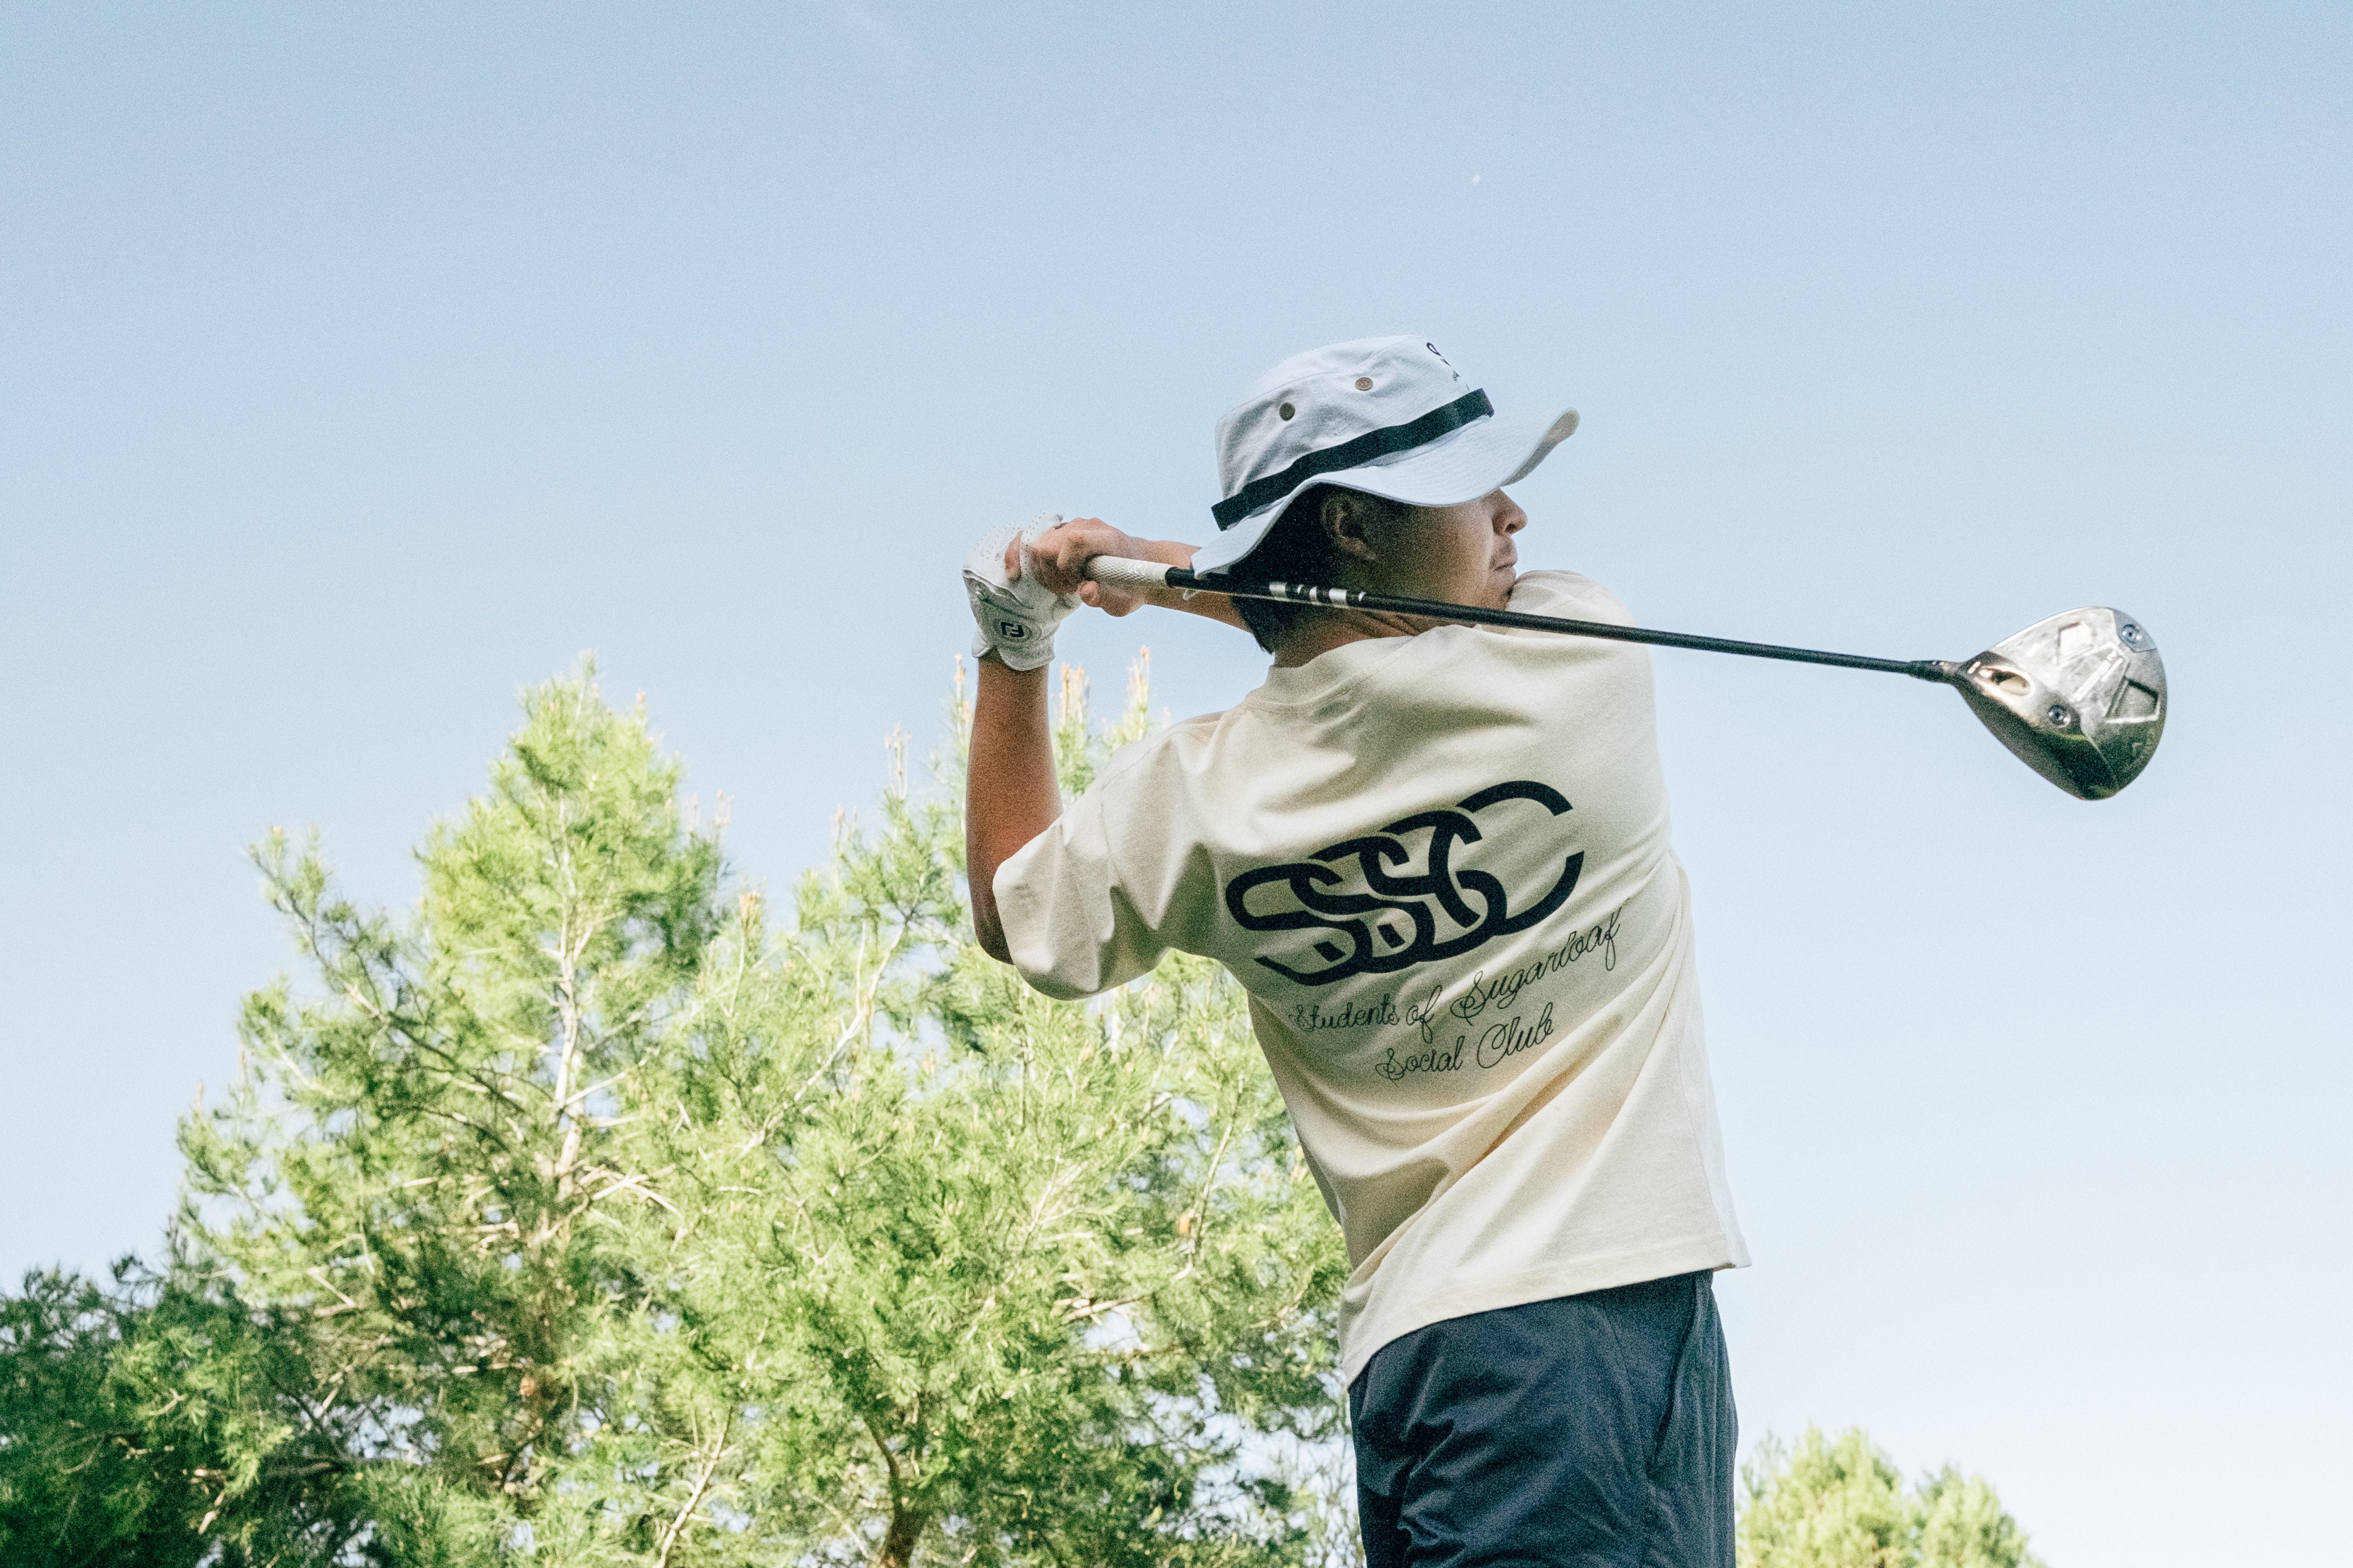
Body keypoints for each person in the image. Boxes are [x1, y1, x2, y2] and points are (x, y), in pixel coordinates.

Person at [960, 335, 1749, 1567]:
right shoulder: (1574, 659)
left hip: (1416, 1363)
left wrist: (1016, 635)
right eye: (1468, 486)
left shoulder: (1197, 796)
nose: (1511, 513)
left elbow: (1015, 913)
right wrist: (1163, 572)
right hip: (1588, 1329)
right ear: (1352, 528)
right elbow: (1325, 622)